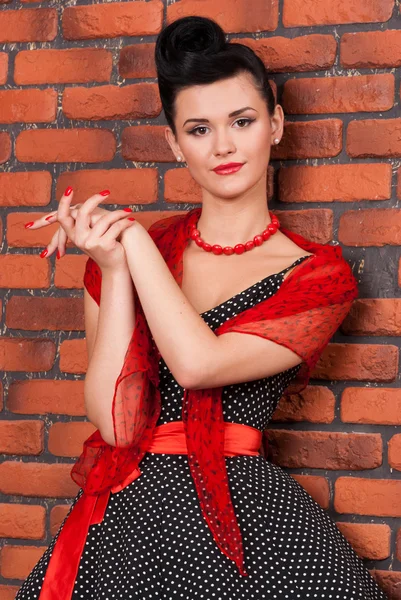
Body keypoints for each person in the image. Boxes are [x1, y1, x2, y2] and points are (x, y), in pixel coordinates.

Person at [15, 15, 388, 600]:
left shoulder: (318, 275)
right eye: (198, 129)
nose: (223, 146)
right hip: (128, 523)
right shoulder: (119, 257)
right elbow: (116, 425)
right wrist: (114, 270)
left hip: (247, 519)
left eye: (241, 121)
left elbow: (198, 365)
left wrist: (134, 242)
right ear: (174, 142)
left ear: (276, 124)